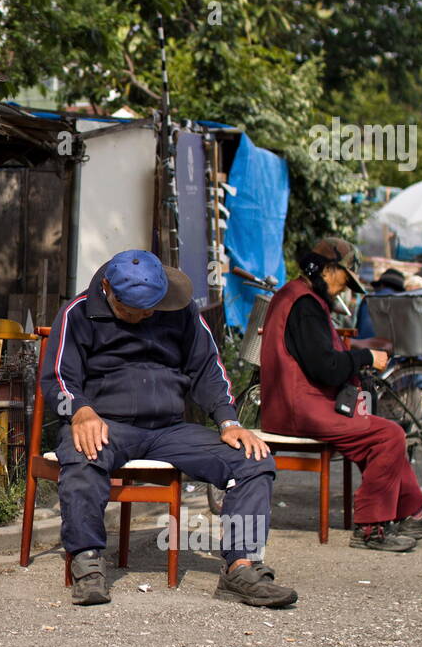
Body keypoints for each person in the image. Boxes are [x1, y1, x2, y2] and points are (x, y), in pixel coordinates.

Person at [42, 250, 296, 608]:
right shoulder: (78, 312)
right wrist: (79, 410)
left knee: (253, 460)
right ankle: (87, 564)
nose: (146, 314)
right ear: (107, 288)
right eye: (135, 308)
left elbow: (208, 368)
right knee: (83, 453)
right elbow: (56, 379)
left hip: (170, 429)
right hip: (106, 424)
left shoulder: (180, 309)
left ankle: (242, 567)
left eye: (152, 306)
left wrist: (228, 420)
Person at [259, 238, 422, 552]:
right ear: (327, 270)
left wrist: (362, 348)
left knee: (384, 433)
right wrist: (367, 358)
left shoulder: (297, 296)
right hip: (298, 407)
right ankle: (371, 528)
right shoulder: (305, 305)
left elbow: (319, 353)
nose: (344, 289)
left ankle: (414, 511)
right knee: (388, 435)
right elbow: (326, 368)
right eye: (344, 279)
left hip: (294, 403)